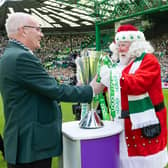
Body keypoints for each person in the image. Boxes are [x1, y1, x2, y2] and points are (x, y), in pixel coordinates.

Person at [0, 12, 103, 168]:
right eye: (38, 29)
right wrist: (91, 90)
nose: (41, 34)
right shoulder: (21, 57)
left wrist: (76, 88)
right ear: (24, 30)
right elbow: (54, 90)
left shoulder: (11, 54)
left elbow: (43, 88)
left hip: (25, 141)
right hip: (31, 145)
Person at [100, 24, 168, 168]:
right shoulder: (118, 65)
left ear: (135, 45)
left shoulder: (149, 60)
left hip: (143, 125)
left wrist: (114, 77)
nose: (119, 49)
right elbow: (109, 90)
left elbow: (138, 84)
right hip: (122, 123)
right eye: (118, 45)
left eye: (123, 45)